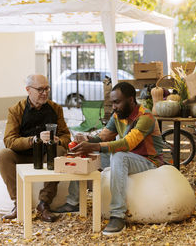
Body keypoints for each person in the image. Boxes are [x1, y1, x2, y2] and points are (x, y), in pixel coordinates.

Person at [55, 82, 165, 235]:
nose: (113, 106)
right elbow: (103, 136)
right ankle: (73, 202)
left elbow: (126, 144)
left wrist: (94, 146)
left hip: (149, 161)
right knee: (85, 154)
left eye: (117, 102)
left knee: (119, 155)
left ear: (131, 100)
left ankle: (117, 215)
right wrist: (86, 140)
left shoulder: (145, 117)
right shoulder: (118, 115)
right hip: (129, 157)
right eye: (112, 102)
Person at [0, 74, 71, 222]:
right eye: (40, 89)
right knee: (2, 155)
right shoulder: (15, 110)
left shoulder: (56, 109)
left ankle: (44, 204)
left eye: (47, 88)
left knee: (60, 151)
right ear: (28, 90)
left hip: (47, 155)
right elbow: (9, 140)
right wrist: (34, 140)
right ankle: (19, 203)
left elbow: (66, 137)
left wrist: (58, 141)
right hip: (23, 154)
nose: (45, 93)